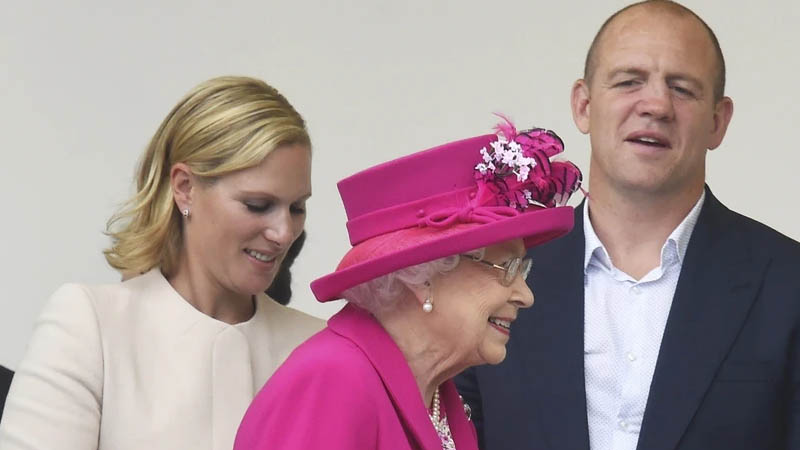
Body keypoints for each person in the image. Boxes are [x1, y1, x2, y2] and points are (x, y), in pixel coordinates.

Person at [456, 1, 800, 450]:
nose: (656, 105)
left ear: (718, 121)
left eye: (682, 88)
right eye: (629, 81)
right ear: (583, 105)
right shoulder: (491, 273)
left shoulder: (788, 283)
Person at [0, 76, 324, 450]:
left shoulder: (317, 346)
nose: (285, 232)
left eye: (297, 207)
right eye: (258, 205)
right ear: (185, 187)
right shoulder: (91, 324)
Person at [233, 118, 583, 449]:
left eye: (522, 270)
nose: (525, 295)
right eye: (505, 268)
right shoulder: (333, 380)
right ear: (424, 277)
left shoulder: (439, 397)